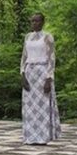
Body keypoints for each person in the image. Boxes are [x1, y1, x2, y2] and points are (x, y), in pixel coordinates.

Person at [20, 13, 61, 145]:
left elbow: (51, 57)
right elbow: (24, 57)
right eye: (32, 21)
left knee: (43, 105)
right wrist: (22, 74)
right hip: (30, 72)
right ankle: (30, 136)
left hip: (42, 71)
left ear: (43, 22)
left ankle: (43, 136)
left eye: (37, 21)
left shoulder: (47, 37)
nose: (35, 23)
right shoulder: (28, 37)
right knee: (29, 106)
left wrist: (49, 77)